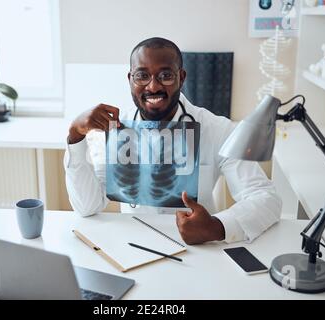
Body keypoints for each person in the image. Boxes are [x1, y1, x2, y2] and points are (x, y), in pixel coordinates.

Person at [64, 37, 282, 245]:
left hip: (200, 247)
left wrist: (217, 227)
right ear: (130, 80)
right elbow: (88, 207)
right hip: (134, 245)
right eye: (142, 76)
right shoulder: (114, 131)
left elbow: (266, 198)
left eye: (165, 75)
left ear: (182, 77)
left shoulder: (216, 129)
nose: (153, 87)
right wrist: (75, 136)